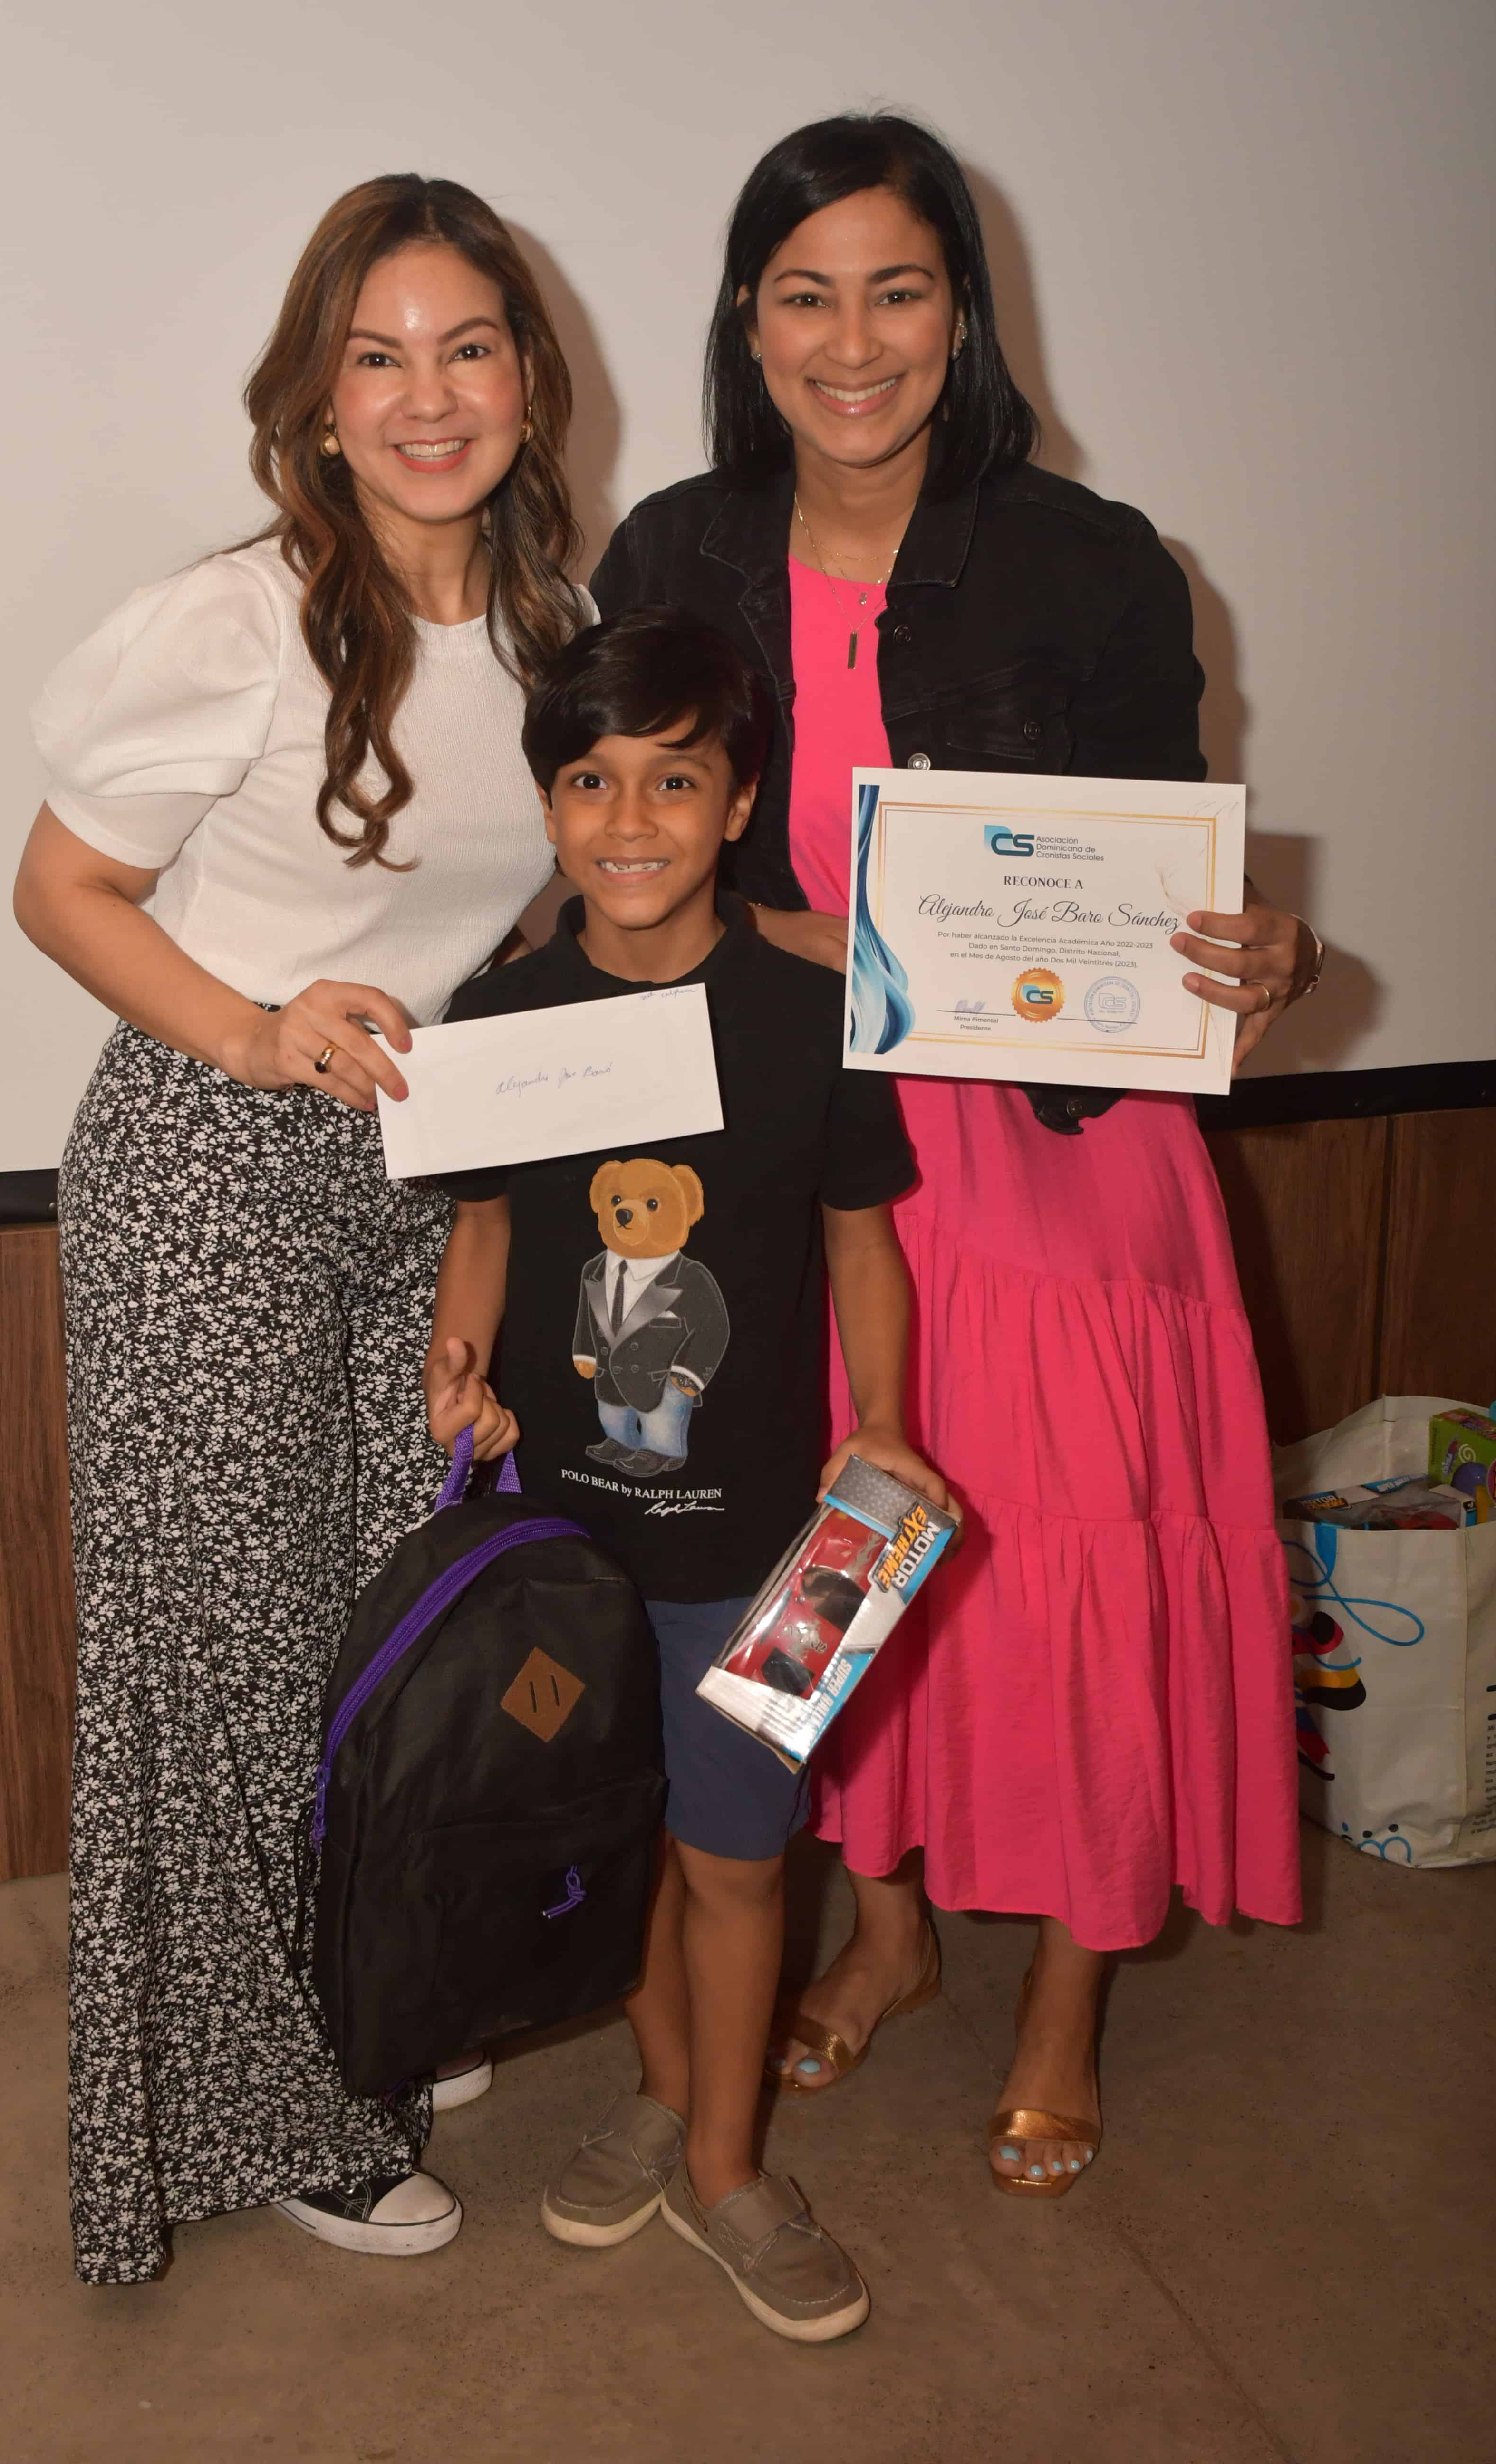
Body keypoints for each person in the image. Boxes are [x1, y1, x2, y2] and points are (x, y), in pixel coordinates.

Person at [591, 112, 1317, 2196]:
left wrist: (1273, 952)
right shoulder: (672, 551)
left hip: (1062, 1169)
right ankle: (895, 1932)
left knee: (1071, 1571)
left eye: (897, 289)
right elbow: (623, 849)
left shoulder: (1092, 556)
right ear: (749, 315)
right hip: (808, 1165)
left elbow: (1172, 884)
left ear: (959, 314)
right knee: (839, 1582)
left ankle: (1069, 1993)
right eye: (804, 291)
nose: (852, 338)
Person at [13, 173, 589, 2282]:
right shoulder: (240, 616)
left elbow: (516, 950)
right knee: (229, 1667)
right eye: (378, 354)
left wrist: (467, 1242)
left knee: (376, 1641)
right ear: (319, 400)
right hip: (209, 1167)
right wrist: (258, 1031)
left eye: (464, 346)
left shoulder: (555, 626)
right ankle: (279, 2122)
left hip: (419, 1179)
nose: (426, 395)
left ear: (528, 374)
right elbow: (57, 891)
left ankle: (341, 2008)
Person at [424, 606, 947, 2340]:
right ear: (549, 804)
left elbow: (864, 1237)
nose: (628, 819)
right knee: (625, 1838)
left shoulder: (814, 1009)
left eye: (674, 779)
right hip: (562, 1547)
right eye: (590, 780)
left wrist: (880, 1417)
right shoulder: (499, 1011)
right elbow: (489, 1223)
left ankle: (728, 2160)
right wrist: (458, 1354)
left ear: (737, 805)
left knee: (736, 1854)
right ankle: (660, 2092)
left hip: (764, 1541)